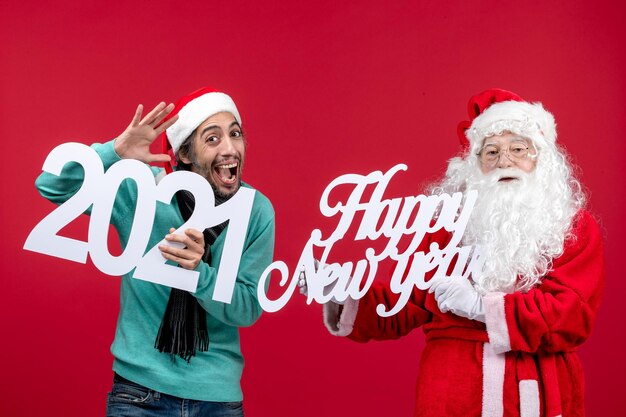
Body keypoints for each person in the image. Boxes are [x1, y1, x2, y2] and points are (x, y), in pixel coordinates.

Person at [301, 89, 605, 417]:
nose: (504, 160)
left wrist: (481, 307)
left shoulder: (572, 227)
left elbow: (571, 314)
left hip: (533, 392)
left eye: (518, 148)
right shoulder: (446, 228)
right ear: (475, 165)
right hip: (453, 394)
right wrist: (342, 291)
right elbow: (401, 306)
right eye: (491, 152)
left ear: (541, 157)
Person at [36, 87, 275, 416]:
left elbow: (247, 308)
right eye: (213, 138)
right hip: (139, 395)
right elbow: (52, 184)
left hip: (216, 400)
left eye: (235, 134)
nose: (230, 148)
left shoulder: (257, 211)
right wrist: (115, 151)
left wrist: (199, 275)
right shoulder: (143, 190)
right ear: (186, 154)